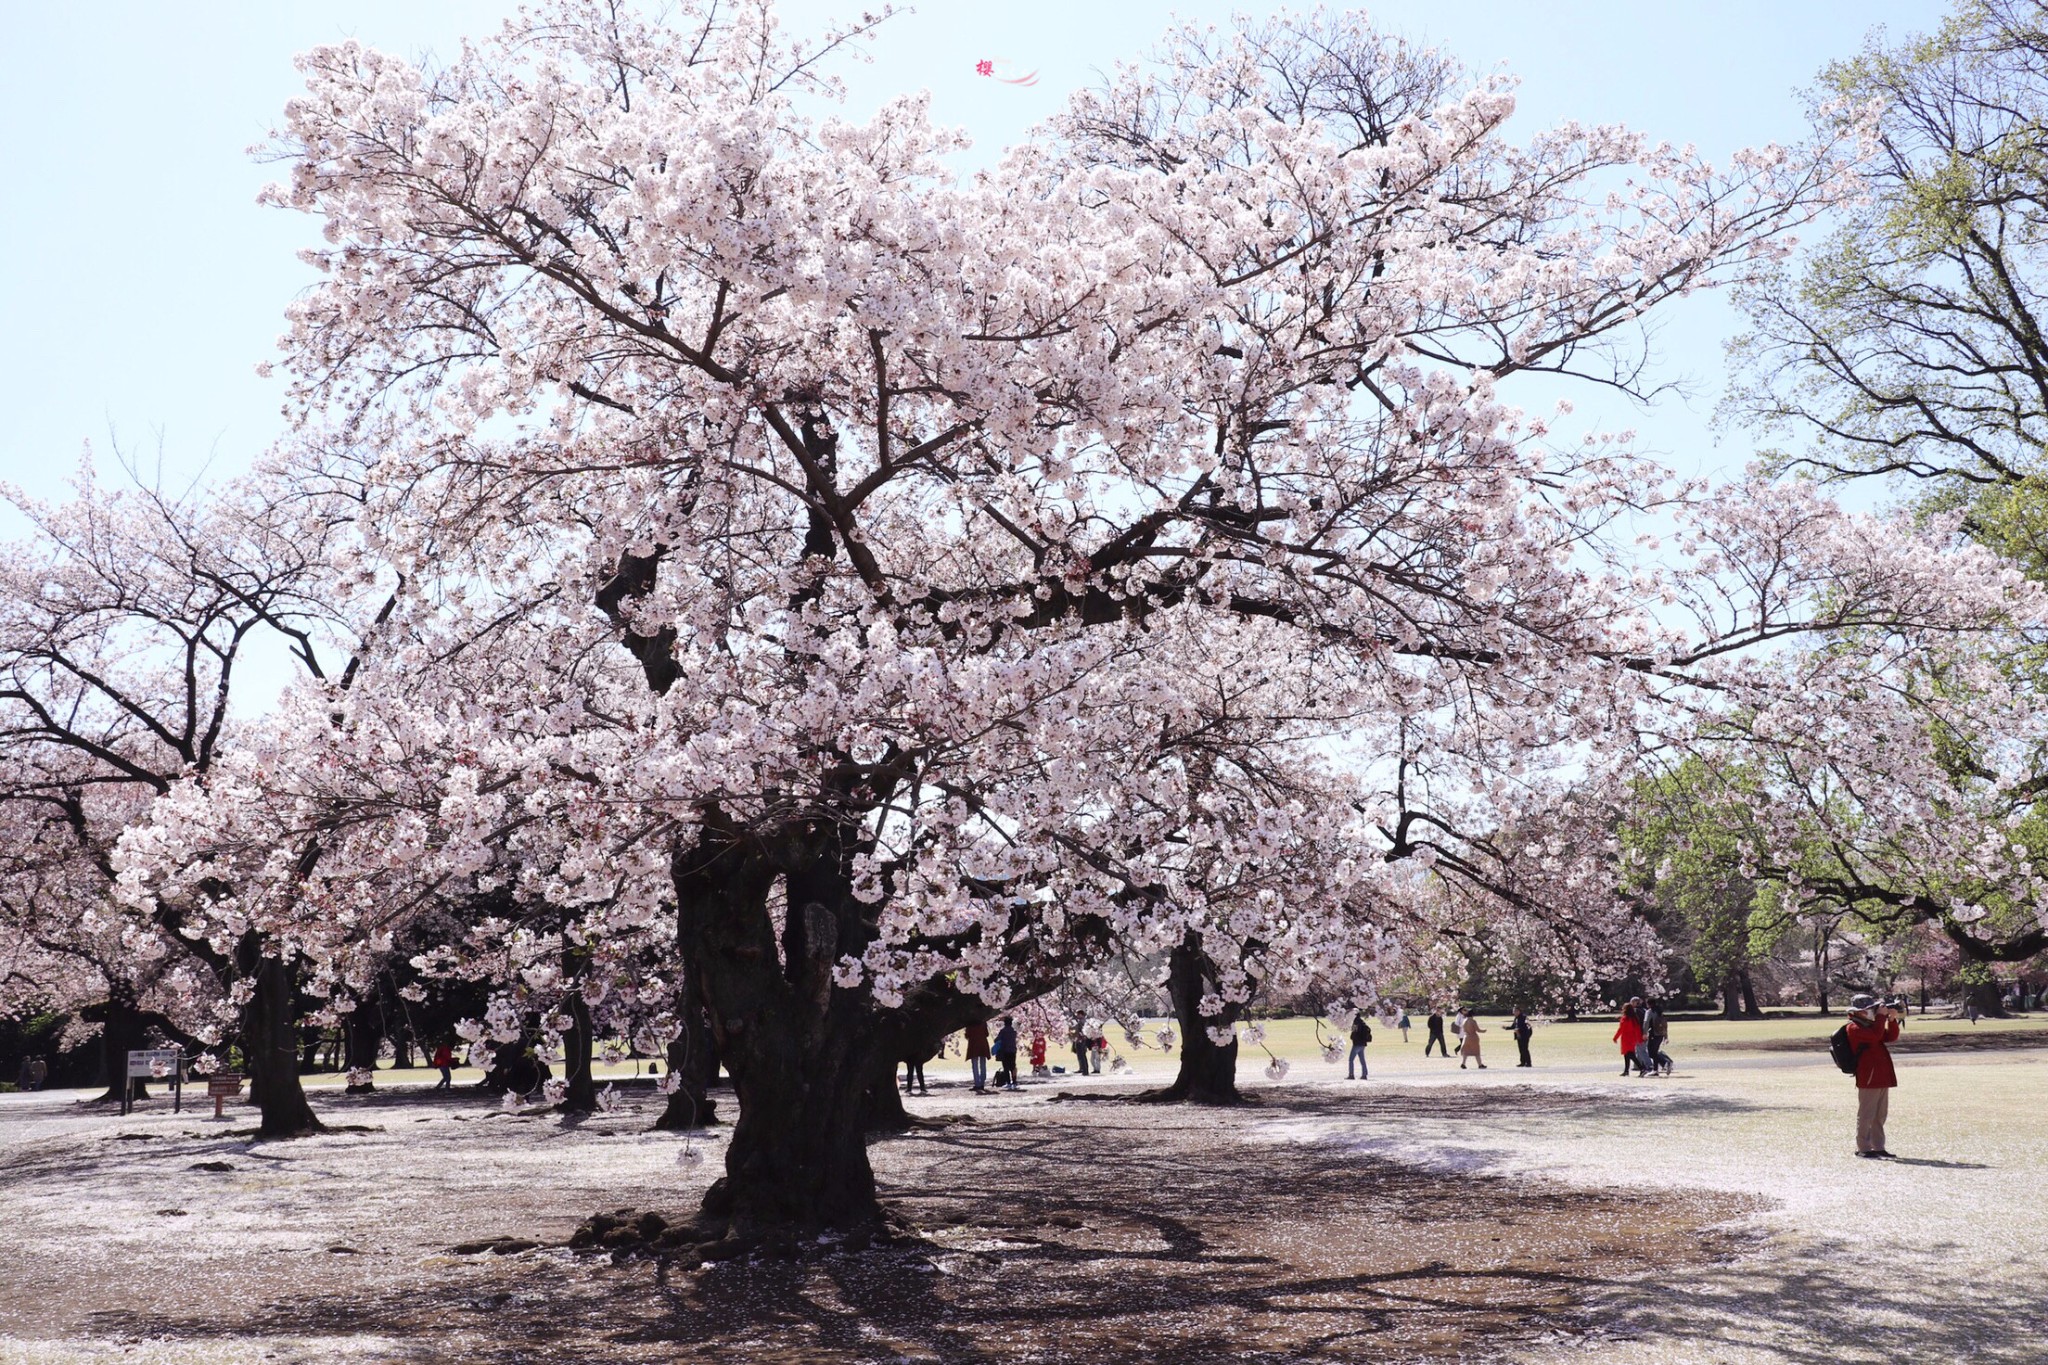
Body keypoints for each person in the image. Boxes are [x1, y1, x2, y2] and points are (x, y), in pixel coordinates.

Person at [1846, 994, 1902, 1158]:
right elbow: (1874, 1036)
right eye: (1869, 1009)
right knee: (1866, 1114)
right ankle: (1863, 1147)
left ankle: (1878, 1146)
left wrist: (1891, 1020)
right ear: (1859, 1011)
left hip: (1881, 1075)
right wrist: (1881, 1017)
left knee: (1880, 1114)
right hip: (1868, 1077)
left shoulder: (1870, 1025)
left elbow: (1890, 1037)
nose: (1872, 1012)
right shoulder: (1854, 1027)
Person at [1614, 1001, 1645, 1076]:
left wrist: (1615, 1037)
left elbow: (1620, 1029)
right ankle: (1626, 1070)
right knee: (1627, 1054)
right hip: (1632, 1038)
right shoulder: (1634, 1018)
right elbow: (1637, 1029)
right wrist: (1639, 1039)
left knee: (1630, 1054)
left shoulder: (1625, 1019)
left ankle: (1642, 1068)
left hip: (1626, 1038)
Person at [1644, 1002, 1673, 1076]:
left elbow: (1646, 1022)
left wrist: (1644, 1033)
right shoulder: (1660, 1011)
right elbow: (1665, 1024)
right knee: (1655, 1051)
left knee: (1651, 1053)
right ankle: (1655, 1070)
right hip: (1661, 1034)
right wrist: (1666, 1036)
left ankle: (1665, 1063)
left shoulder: (1650, 1011)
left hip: (1653, 1034)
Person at [993, 1016, 1021, 1091]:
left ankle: (1008, 1082)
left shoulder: (1003, 1031)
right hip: (1012, 1050)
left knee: (1006, 1067)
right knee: (1013, 1066)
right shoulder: (1014, 1031)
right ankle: (1014, 1082)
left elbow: (997, 1040)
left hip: (1005, 1050)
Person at [964, 1019, 991, 1092]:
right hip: (983, 1044)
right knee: (983, 1064)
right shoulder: (983, 1022)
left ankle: (977, 1083)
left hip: (973, 1044)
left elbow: (967, 1035)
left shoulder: (970, 1023)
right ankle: (982, 1083)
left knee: (975, 1065)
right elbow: (987, 1034)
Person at [1347, 1013, 1373, 1080]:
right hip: (1363, 1044)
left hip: (1356, 1044)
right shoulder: (1362, 1022)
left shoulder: (1355, 1022)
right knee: (1362, 1060)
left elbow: (1354, 1033)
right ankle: (1364, 1074)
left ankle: (1351, 1074)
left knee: (1351, 1059)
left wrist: (1352, 1038)